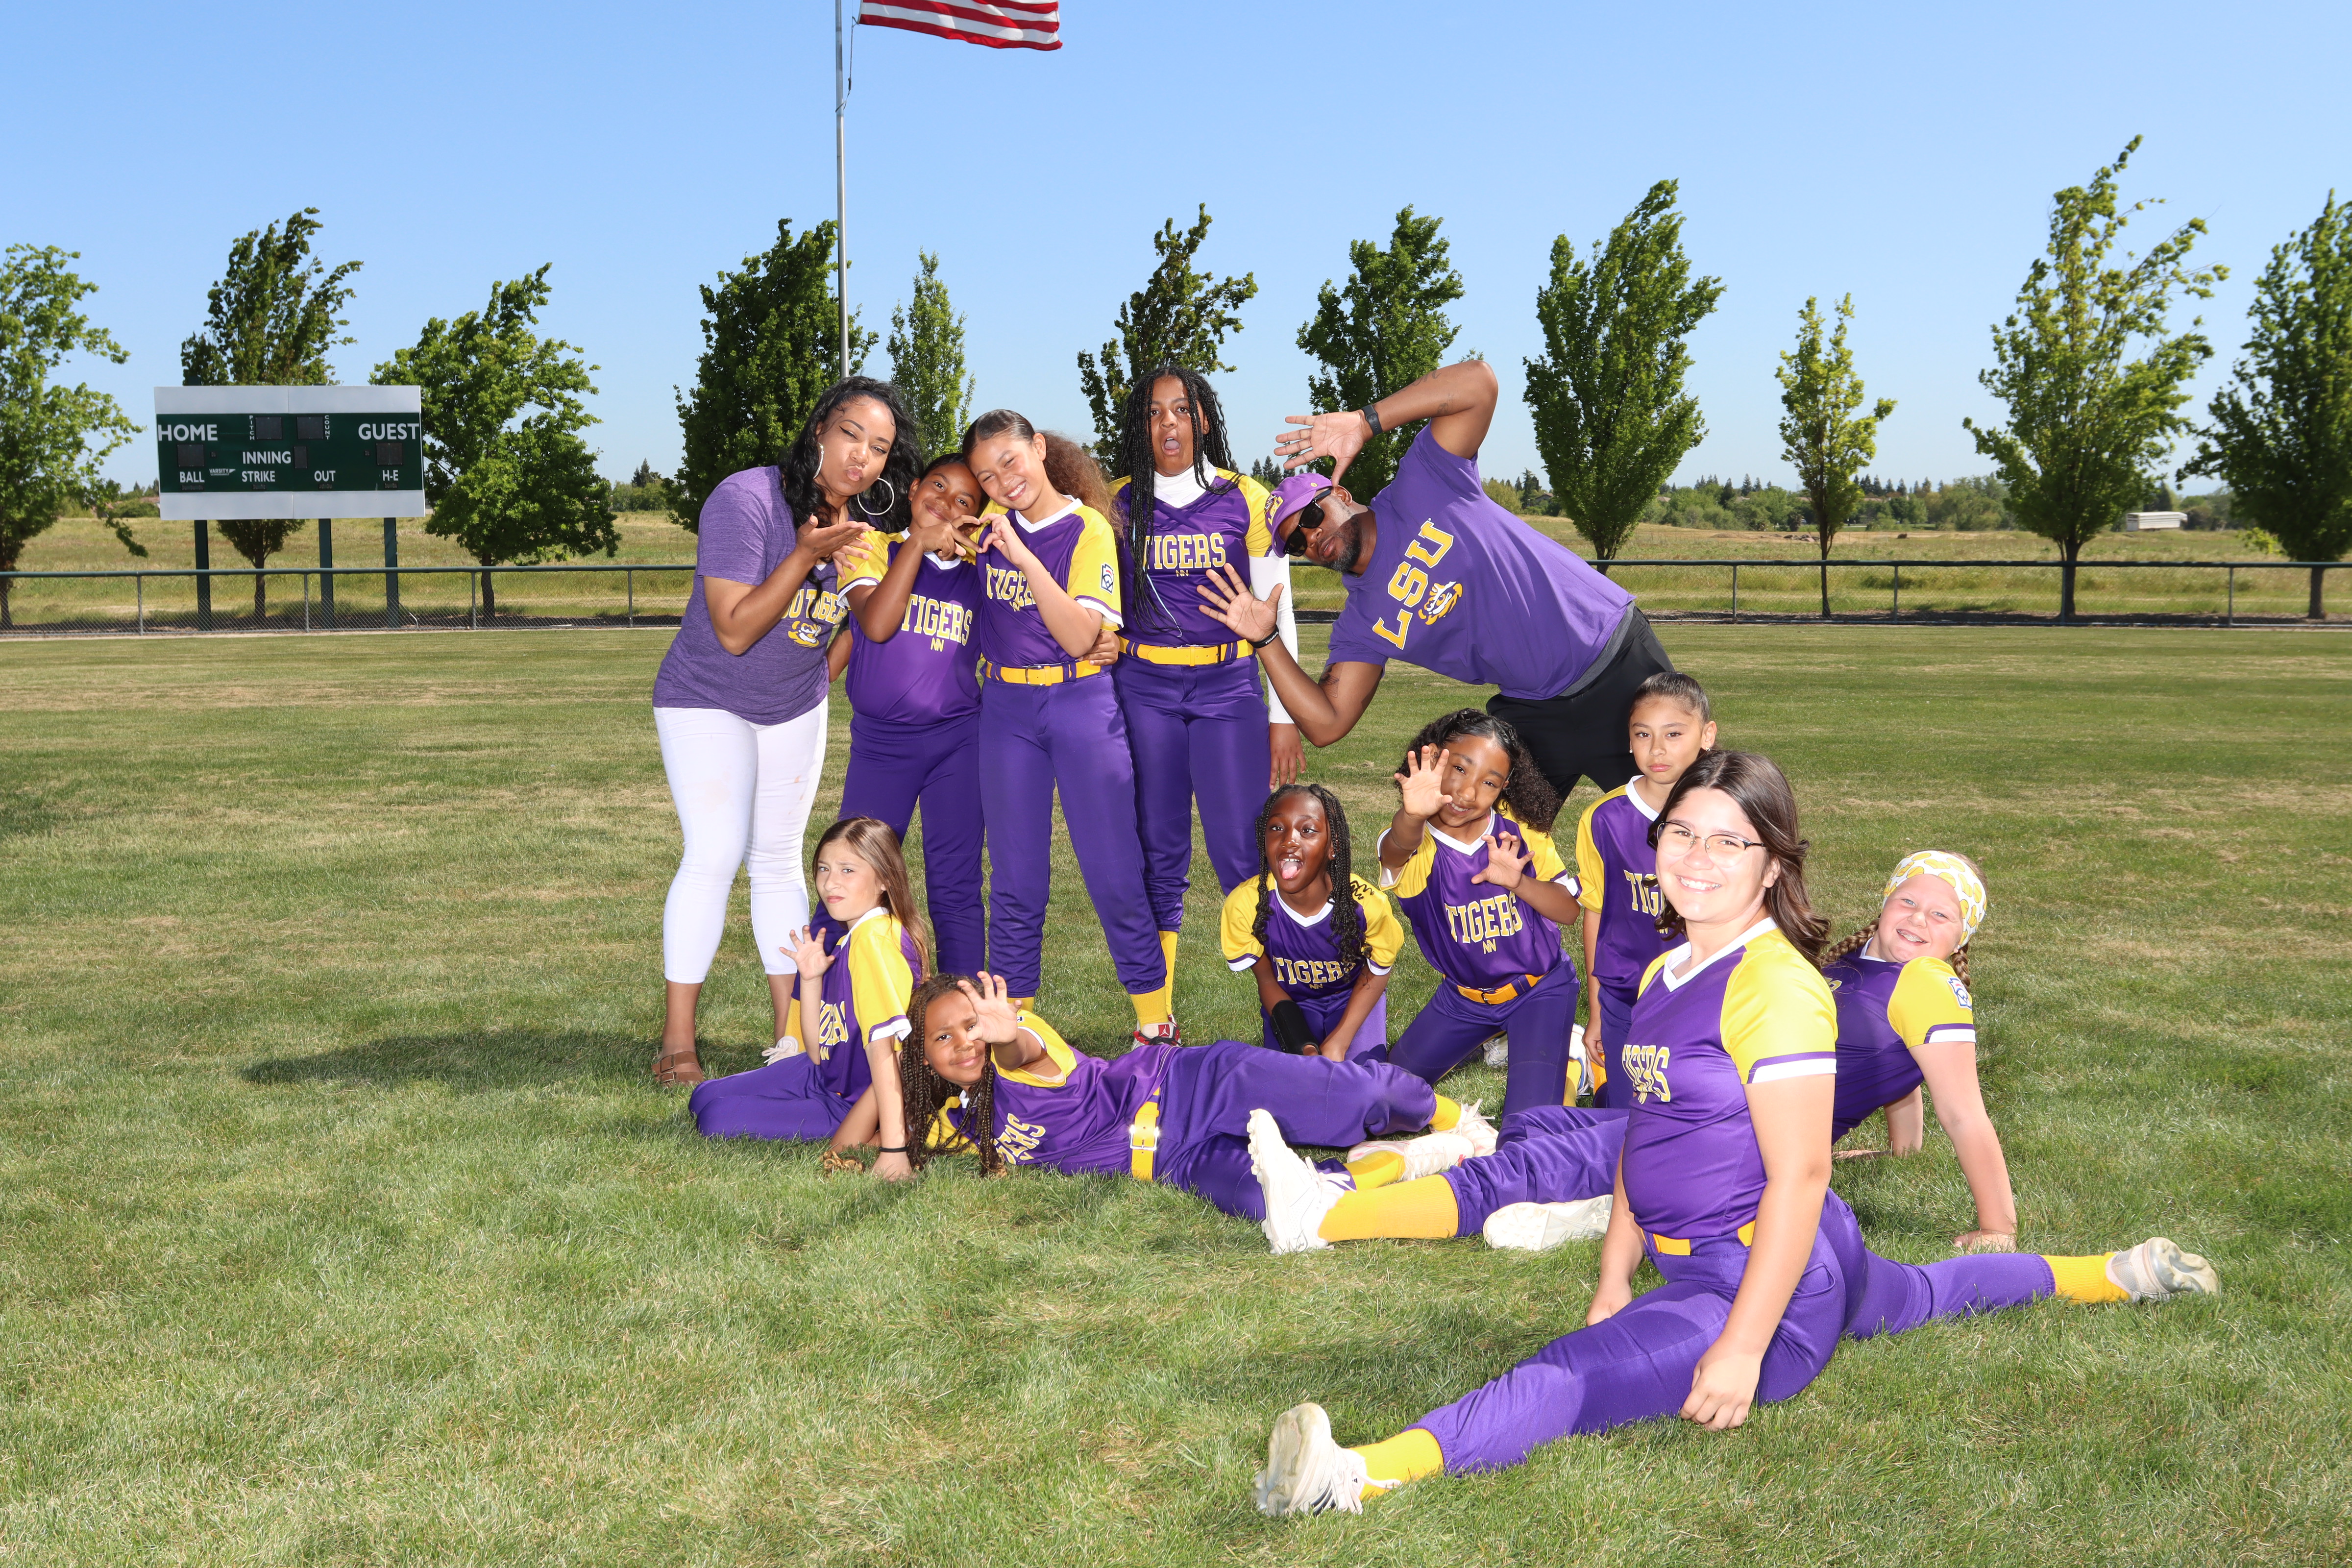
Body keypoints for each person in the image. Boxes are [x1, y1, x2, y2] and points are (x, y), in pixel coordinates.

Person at [1251, 750, 2220, 1518]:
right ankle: (2119, 1272)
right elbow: (1647, 1134)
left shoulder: (1777, 984)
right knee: (1927, 1292)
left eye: (1729, 842)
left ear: (1773, 864)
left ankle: (1355, 1475)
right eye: (1683, 833)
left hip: (1765, 1279)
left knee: (1568, 1375)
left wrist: (1744, 1346)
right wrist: (1614, 1276)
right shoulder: (1670, 969)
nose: (1697, 858)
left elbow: (1802, 1174)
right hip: (1766, 1250)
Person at [1196, 358, 1674, 802]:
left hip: (1614, 660)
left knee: (1684, 819)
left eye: (1311, 517)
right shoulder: (1362, 624)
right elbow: (1327, 724)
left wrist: (1365, 421)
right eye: (1296, 543)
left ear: (1340, 494)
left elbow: (1479, 383)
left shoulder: (1424, 481)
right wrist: (1267, 640)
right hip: (1536, 711)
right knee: (1488, 847)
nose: (1311, 538)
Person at [650, 377, 919, 1085]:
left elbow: (866, 623)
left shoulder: (867, 525)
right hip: (707, 696)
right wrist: (803, 555)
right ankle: (677, 1039)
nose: (862, 456)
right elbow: (734, 630)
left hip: (793, 706)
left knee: (776, 860)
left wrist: (815, 676)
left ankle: (792, 1036)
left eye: (880, 448)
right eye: (852, 434)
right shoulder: (747, 498)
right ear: (820, 427)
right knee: (714, 851)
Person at [893, 972, 1486, 1221]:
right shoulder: (961, 1120)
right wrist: (870, 1151)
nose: (965, 1041)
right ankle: (1412, 1159)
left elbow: (1017, 1051)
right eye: (943, 1037)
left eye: (972, 1024)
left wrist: (1005, 1034)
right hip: (1173, 1160)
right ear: (923, 1057)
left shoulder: (1022, 1050)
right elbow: (890, 1123)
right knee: (1283, 1207)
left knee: (1352, 1096)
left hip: (1190, 1085)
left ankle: (1464, 1121)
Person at [962, 411, 1171, 1040]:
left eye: (1010, 460)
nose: (1003, 480)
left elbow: (1083, 636)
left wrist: (1022, 557)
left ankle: (1155, 1022)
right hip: (1007, 709)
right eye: (986, 475)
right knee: (1016, 877)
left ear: (1039, 448)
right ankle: (1013, 1026)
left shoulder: (1087, 528)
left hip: (1080, 702)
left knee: (1114, 870)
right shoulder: (987, 526)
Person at [1109, 368, 1304, 987]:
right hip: (1144, 689)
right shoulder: (1114, 502)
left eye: (1180, 409)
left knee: (1243, 849)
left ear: (1204, 419)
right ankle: (1156, 1016)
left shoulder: (1246, 496)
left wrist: (1283, 716)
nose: (1167, 421)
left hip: (1228, 688)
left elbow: (1279, 610)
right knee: (1157, 850)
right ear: (1142, 425)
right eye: (1154, 411)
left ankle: (1282, 1005)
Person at [688, 817, 928, 1180]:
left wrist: (893, 1150)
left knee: (714, 1117)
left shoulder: (874, 942)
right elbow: (818, 1053)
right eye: (824, 869)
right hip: (819, 1075)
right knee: (702, 1097)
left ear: (885, 879)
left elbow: (886, 1050)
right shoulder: (853, 937)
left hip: (849, 1103)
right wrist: (812, 979)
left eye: (848, 870)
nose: (831, 883)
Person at [1375, 710, 1584, 1116]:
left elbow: (1569, 911)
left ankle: (1573, 1062)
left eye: (1489, 782)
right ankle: (1472, 1073)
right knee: (1384, 1102)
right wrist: (1412, 815)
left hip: (1540, 989)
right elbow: (1394, 850)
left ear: (1505, 787)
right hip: (1463, 999)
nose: (1468, 793)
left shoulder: (1520, 830)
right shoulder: (1418, 842)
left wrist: (1519, 882)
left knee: (1528, 1127)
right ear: (1434, 758)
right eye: (1459, 769)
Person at [834, 453, 989, 976]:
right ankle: (816, 1010)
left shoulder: (981, 573)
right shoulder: (871, 546)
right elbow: (878, 624)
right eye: (938, 486)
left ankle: (962, 1008)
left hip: (958, 743)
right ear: (915, 486)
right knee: (854, 872)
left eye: (964, 500)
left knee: (957, 885)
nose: (946, 503)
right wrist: (919, 543)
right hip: (883, 746)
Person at [1824, 850, 2019, 1251]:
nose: (1918, 919)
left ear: (1961, 936)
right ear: (1885, 903)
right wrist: (1905, 1150)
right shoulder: (1854, 958)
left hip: (1747, 1136)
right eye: (1908, 901)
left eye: (1940, 914)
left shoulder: (1925, 982)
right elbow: (1894, 1052)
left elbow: (1964, 1115)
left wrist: (1998, 1229)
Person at [1576, 672, 1718, 1105]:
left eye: (1674, 734)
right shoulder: (1604, 818)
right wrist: (1597, 1010)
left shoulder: (1730, 813)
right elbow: (1596, 914)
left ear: (1707, 735)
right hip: (1627, 997)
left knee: (1693, 1106)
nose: (1657, 749)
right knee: (1629, 1117)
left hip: (1707, 996)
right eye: (1643, 734)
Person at [1250, 1101, 1628, 1253]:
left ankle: (1320, 1220)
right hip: (1650, 1114)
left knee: (1522, 1168)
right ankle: (1579, 1207)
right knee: (1529, 1124)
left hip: (1666, 1141)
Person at [1219, 784, 1403, 1060]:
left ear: (1333, 847)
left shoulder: (1367, 904)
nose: (1289, 841)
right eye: (1277, 828)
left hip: (1352, 997)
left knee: (1360, 1078)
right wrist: (1302, 1046)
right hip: (1291, 1002)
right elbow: (1267, 981)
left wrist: (1340, 1041)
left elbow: (1377, 971)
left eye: (1308, 830)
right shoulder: (1245, 905)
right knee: (1289, 1081)